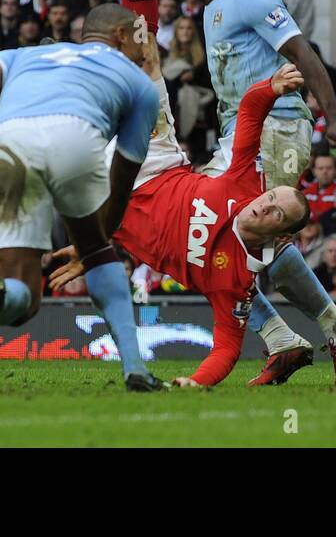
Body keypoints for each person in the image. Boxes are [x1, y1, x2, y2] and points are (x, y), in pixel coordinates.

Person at [113, 0, 336, 386]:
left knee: (222, 236)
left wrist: (332, 115)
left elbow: (303, 51)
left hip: (279, 122)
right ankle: (292, 337)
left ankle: (331, 331)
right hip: (243, 128)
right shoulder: (213, 8)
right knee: (222, 243)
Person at [0, 2, 163, 391]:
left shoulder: (29, 54)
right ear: (121, 35)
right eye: (140, 39)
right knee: (97, 253)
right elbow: (124, 171)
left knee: (24, 299)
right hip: (75, 136)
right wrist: (97, 241)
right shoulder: (140, 83)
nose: (145, 50)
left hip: (8, 142)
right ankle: (134, 367)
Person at [50, 60, 318, 387]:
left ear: (282, 234)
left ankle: (64, 71)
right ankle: (91, 48)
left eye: (277, 213)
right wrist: (271, 88)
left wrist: (197, 382)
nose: (265, 206)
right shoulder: (245, 183)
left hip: (109, 210)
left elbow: (226, 349)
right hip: (154, 163)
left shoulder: (235, 281)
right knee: (146, 62)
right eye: (271, 197)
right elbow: (249, 112)